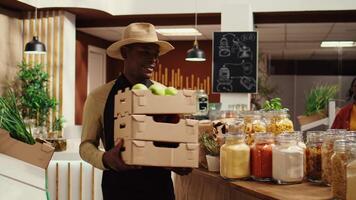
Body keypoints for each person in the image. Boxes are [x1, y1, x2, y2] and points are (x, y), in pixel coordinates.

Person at [79, 22, 191, 200]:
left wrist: (179, 160)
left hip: (160, 189)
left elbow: (173, 140)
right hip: (118, 189)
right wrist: (105, 159)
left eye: (155, 54)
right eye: (144, 52)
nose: (153, 59)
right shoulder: (99, 96)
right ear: (125, 53)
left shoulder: (167, 94)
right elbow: (86, 145)